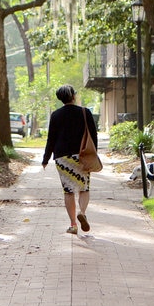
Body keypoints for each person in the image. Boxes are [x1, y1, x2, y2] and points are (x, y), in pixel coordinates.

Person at [42, 84, 99, 234]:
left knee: (68, 191)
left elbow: (51, 139)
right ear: (73, 96)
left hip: (62, 158)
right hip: (82, 155)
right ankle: (83, 212)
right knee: (84, 188)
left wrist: (45, 158)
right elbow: (93, 136)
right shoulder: (85, 112)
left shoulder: (55, 115)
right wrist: (94, 154)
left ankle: (73, 224)